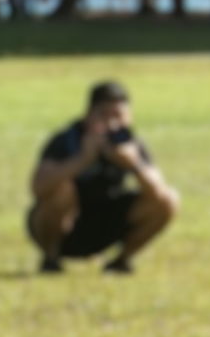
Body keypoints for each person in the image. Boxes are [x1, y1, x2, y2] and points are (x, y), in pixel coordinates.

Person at [27, 79, 179, 274]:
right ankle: (51, 259)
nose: (112, 124)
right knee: (61, 190)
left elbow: (159, 193)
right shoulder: (68, 139)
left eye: (118, 116)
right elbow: (38, 187)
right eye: (104, 116)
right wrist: (82, 159)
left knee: (170, 200)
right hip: (63, 226)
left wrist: (133, 164)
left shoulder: (129, 144)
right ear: (89, 115)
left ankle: (121, 261)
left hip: (106, 221)